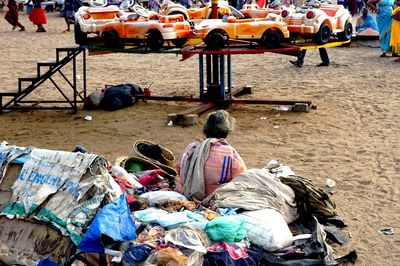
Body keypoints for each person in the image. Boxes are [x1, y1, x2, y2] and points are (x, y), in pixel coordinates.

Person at [176, 110, 247, 200]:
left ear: (206, 129)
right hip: (215, 199)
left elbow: (179, 170)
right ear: (226, 132)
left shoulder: (191, 148)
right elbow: (242, 178)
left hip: (187, 197)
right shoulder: (229, 153)